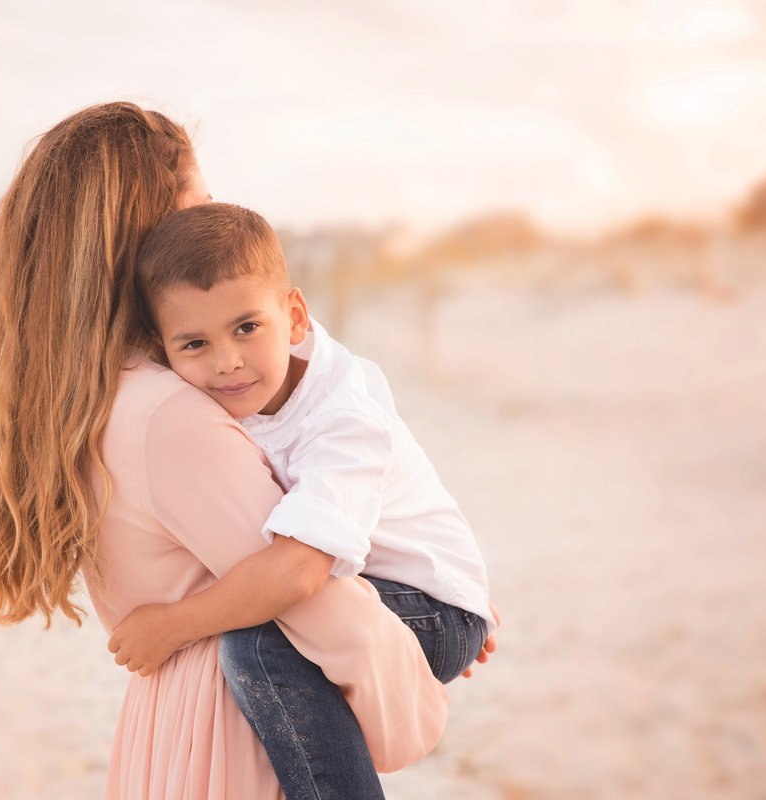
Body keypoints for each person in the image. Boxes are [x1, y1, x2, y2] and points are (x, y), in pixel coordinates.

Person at [0, 102, 476, 800]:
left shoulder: (95, 397)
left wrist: (429, 603)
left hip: (181, 723)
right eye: (196, 207)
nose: (214, 224)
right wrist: (408, 665)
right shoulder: (172, 413)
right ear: (144, 239)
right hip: (233, 732)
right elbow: (311, 598)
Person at [106, 201, 496, 787]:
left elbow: (296, 573)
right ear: (164, 350)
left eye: (246, 328)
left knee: (260, 648)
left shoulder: (343, 415)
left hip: (435, 606)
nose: (227, 363)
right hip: (370, 585)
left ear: (293, 317)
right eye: (194, 345)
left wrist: (171, 626)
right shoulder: (226, 399)